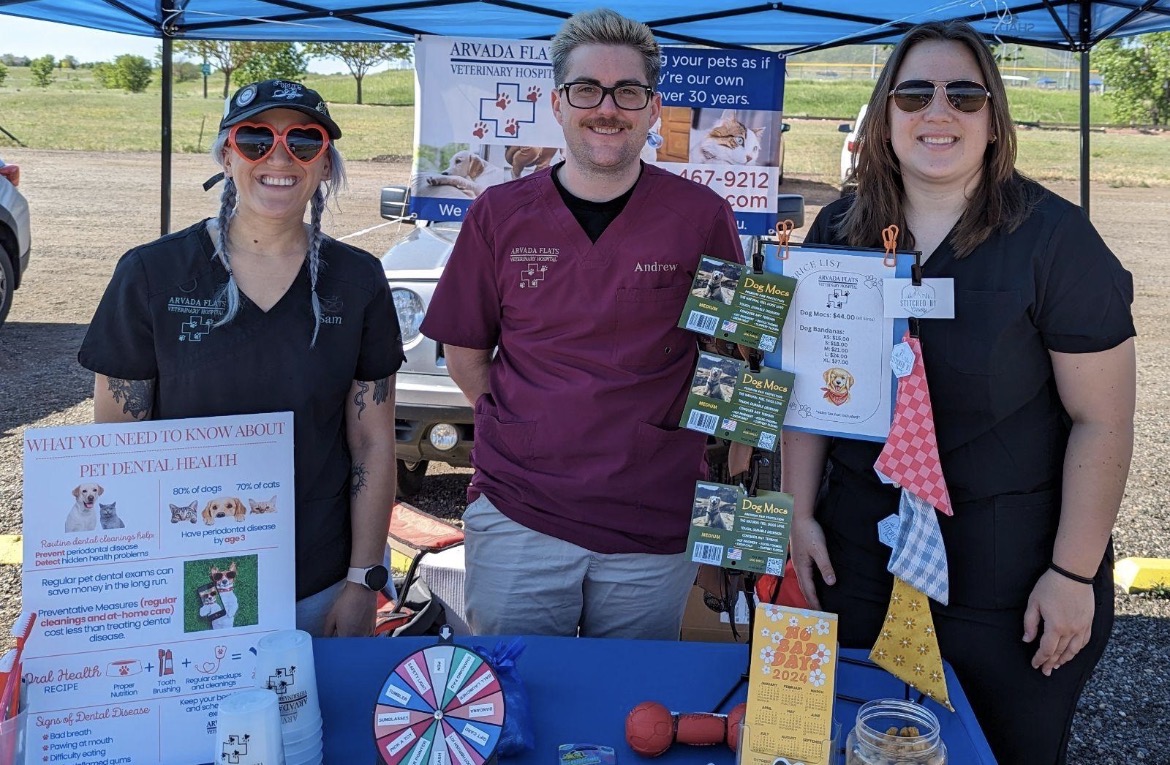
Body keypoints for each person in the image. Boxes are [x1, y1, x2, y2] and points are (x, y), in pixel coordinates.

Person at [782, 22, 1135, 764]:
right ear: (884, 114)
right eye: (914, 93)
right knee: (862, 743)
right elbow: (811, 388)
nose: (936, 111)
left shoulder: (1056, 241)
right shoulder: (840, 229)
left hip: (1011, 576)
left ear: (993, 116)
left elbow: (1101, 420)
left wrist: (1073, 574)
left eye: (963, 94)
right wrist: (798, 513)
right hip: (861, 560)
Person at [420, 8, 744, 639]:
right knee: (515, 693)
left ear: (653, 109)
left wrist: (731, 502)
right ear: (558, 104)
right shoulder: (499, 214)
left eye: (628, 91)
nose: (607, 107)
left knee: (628, 708)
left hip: (653, 518)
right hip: (521, 511)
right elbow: (465, 353)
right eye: (586, 90)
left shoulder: (703, 217)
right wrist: (529, 426)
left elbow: (733, 358)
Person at [79, 80, 404, 637]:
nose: (279, 157)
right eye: (255, 138)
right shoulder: (152, 274)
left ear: (325, 164)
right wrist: (127, 581)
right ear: (228, 156)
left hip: (317, 578)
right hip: (182, 576)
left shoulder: (358, 280)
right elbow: (117, 445)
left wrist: (362, 581)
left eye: (305, 141)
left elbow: (372, 442)